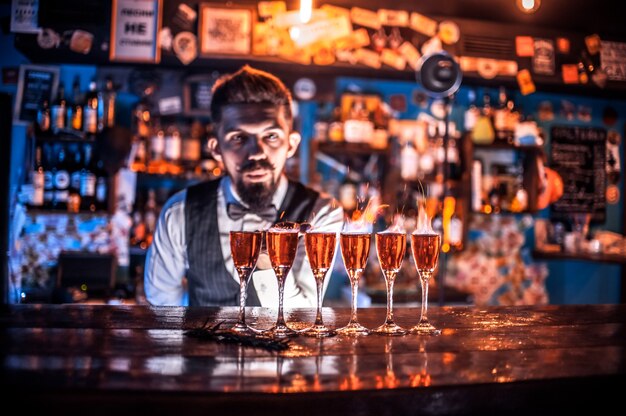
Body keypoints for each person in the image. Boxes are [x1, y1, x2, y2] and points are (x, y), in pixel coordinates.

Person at [144, 65, 344, 307]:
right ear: (216, 148)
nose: (257, 153)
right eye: (239, 138)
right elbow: (164, 310)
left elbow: (306, 316)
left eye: (271, 136)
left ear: (291, 145)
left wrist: (268, 262)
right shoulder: (179, 212)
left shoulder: (321, 212)